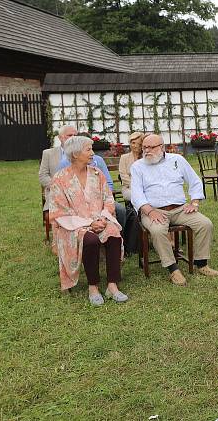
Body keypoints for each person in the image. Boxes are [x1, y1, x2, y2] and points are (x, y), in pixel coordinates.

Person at [47, 135, 127, 306]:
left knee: (113, 233)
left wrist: (103, 219)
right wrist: (89, 224)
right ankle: (93, 286)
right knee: (89, 240)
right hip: (73, 226)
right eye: (88, 149)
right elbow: (59, 213)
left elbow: (108, 199)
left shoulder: (97, 174)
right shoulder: (60, 179)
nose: (92, 153)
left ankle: (112, 285)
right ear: (75, 154)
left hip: (100, 220)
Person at [130, 133, 218, 286]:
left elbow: (195, 181)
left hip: (180, 209)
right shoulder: (137, 167)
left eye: (151, 147)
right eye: (144, 147)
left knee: (205, 224)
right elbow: (136, 195)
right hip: (153, 211)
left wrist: (195, 202)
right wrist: (150, 211)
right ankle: (173, 269)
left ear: (162, 147)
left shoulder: (177, 160)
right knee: (158, 231)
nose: (147, 151)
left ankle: (201, 263)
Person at [38, 124, 78, 211]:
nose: (73, 138)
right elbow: (43, 176)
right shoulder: (48, 154)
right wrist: (57, 186)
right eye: (70, 135)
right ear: (60, 138)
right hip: (56, 191)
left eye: (75, 135)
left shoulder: (83, 153)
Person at [118, 131, 144, 202]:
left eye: (138, 143)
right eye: (133, 143)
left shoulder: (145, 157)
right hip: (129, 188)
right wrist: (137, 187)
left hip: (146, 187)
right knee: (137, 195)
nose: (134, 145)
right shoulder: (124, 158)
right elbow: (123, 176)